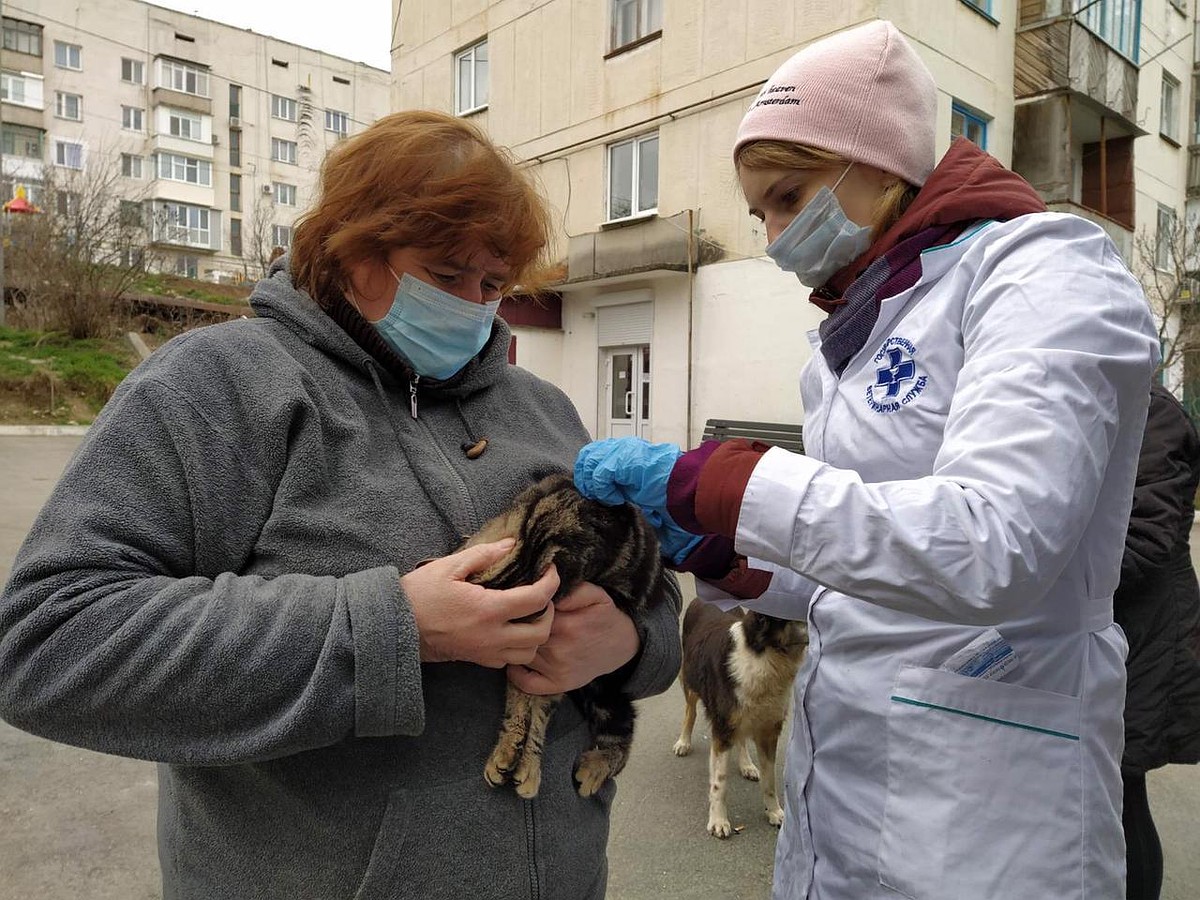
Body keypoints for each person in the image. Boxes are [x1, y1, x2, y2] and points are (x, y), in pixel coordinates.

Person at [0, 110, 681, 900]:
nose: (474, 303)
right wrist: (393, 630)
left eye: (493, 284)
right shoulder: (218, 386)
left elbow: (651, 584)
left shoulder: (544, 410)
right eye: (446, 273)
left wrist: (631, 642)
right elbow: (50, 643)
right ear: (350, 248)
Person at [573, 20, 1158, 900]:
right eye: (759, 210)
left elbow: (993, 544)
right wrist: (730, 552)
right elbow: (864, 562)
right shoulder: (850, 335)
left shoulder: (1041, 275)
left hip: (988, 805)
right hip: (840, 791)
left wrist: (733, 481)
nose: (773, 236)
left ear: (881, 161)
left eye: (788, 194)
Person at [1116, 383, 1200, 900]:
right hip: (1117, 631)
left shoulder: (1151, 411)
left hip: (1148, 640)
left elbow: (1144, 537)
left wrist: (1034, 578)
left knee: (1120, 789)